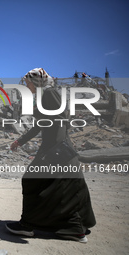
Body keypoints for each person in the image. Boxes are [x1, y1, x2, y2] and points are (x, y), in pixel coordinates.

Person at [6, 68, 96, 243]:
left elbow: (62, 119)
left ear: (37, 82)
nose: (27, 85)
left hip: (56, 149)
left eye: (28, 82)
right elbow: (41, 124)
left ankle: (28, 226)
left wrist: (55, 149)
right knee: (67, 188)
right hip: (58, 149)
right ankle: (74, 228)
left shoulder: (49, 93)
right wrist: (20, 141)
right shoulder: (44, 95)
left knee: (32, 180)